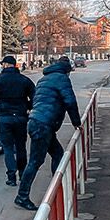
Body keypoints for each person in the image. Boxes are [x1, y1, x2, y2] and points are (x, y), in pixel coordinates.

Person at [15, 56, 81, 211]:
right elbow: (70, 101)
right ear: (67, 70)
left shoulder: (44, 79)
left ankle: (56, 187)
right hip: (43, 124)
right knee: (35, 162)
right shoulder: (62, 78)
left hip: (38, 121)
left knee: (58, 154)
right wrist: (76, 122)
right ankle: (22, 196)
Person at [0, 55, 35, 187]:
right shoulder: (25, 80)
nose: (2, 66)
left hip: (4, 117)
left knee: (7, 147)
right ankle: (23, 174)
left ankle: (11, 176)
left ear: (6, 65)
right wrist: (28, 107)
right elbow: (34, 96)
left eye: (3, 64)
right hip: (20, 117)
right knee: (20, 147)